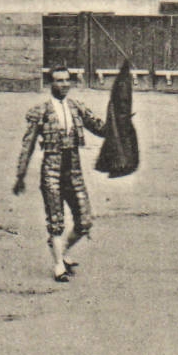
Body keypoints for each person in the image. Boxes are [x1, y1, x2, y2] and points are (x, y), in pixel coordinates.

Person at [13, 67, 108, 282]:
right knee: (56, 221)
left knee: (84, 222)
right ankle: (58, 266)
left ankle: (62, 253)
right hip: (52, 170)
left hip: (73, 170)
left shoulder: (77, 108)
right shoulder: (41, 111)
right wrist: (20, 175)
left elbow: (100, 128)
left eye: (67, 80)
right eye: (59, 81)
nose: (64, 84)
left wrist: (119, 126)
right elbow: (27, 146)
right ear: (51, 84)